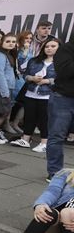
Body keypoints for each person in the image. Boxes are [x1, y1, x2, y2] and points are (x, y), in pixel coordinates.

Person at [10, 38, 60, 152]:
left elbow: (63, 79)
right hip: (31, 93)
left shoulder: (61, 63)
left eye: (53, 46)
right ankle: (26, 139)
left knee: (44, 119)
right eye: (47, 46)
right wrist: (32, 78)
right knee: (29, 117)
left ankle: (44, 142)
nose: (49, 48)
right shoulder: (34, 60)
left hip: (48, 95)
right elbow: (25, 75)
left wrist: (47, 81)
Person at [47, 33, 74, 182]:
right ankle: (55, 173)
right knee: (57, 136)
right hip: (63, 99)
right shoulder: (65, 50)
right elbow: (65, 72)